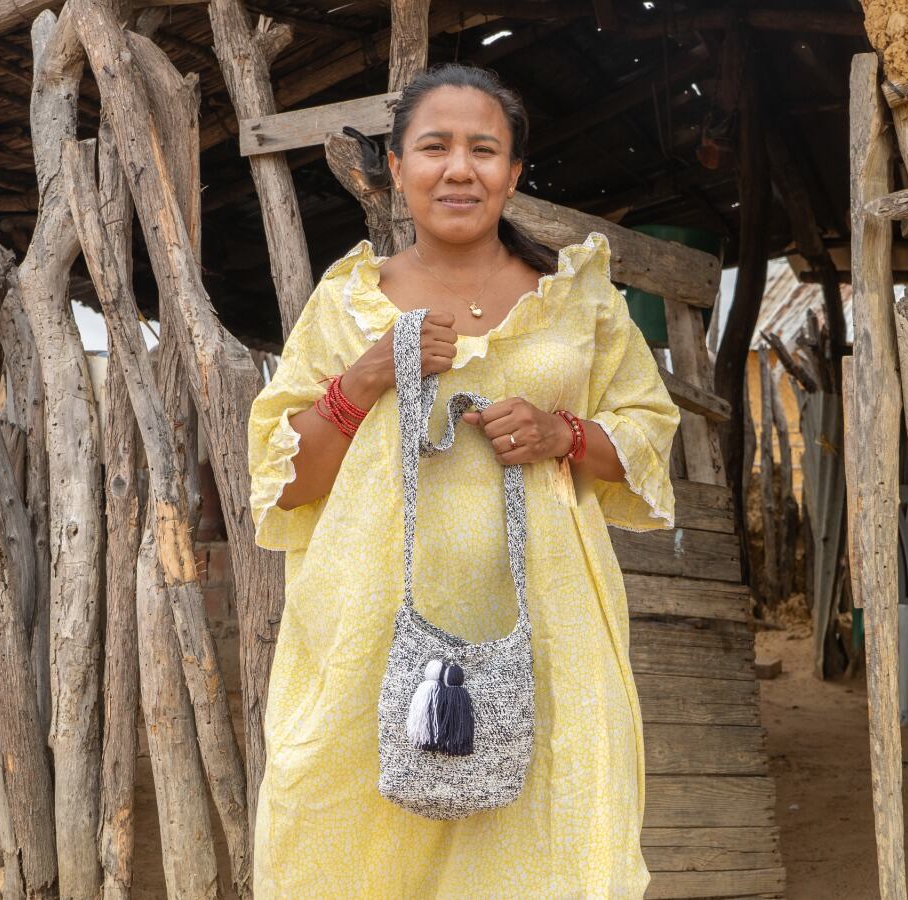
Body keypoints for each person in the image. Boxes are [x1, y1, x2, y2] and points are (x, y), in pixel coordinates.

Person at [246, 61, 680, 898]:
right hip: (371, 642)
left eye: (484, 150)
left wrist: (565, 432)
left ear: (513, 173)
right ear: (397, 169)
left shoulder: (577, 298)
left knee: (549, 843)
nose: (459, 168)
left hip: (550, 637)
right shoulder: (347, 307)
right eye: (434, 147)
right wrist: (365, 379)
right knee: (353, 848)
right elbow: (285, 482)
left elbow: (649, 439)